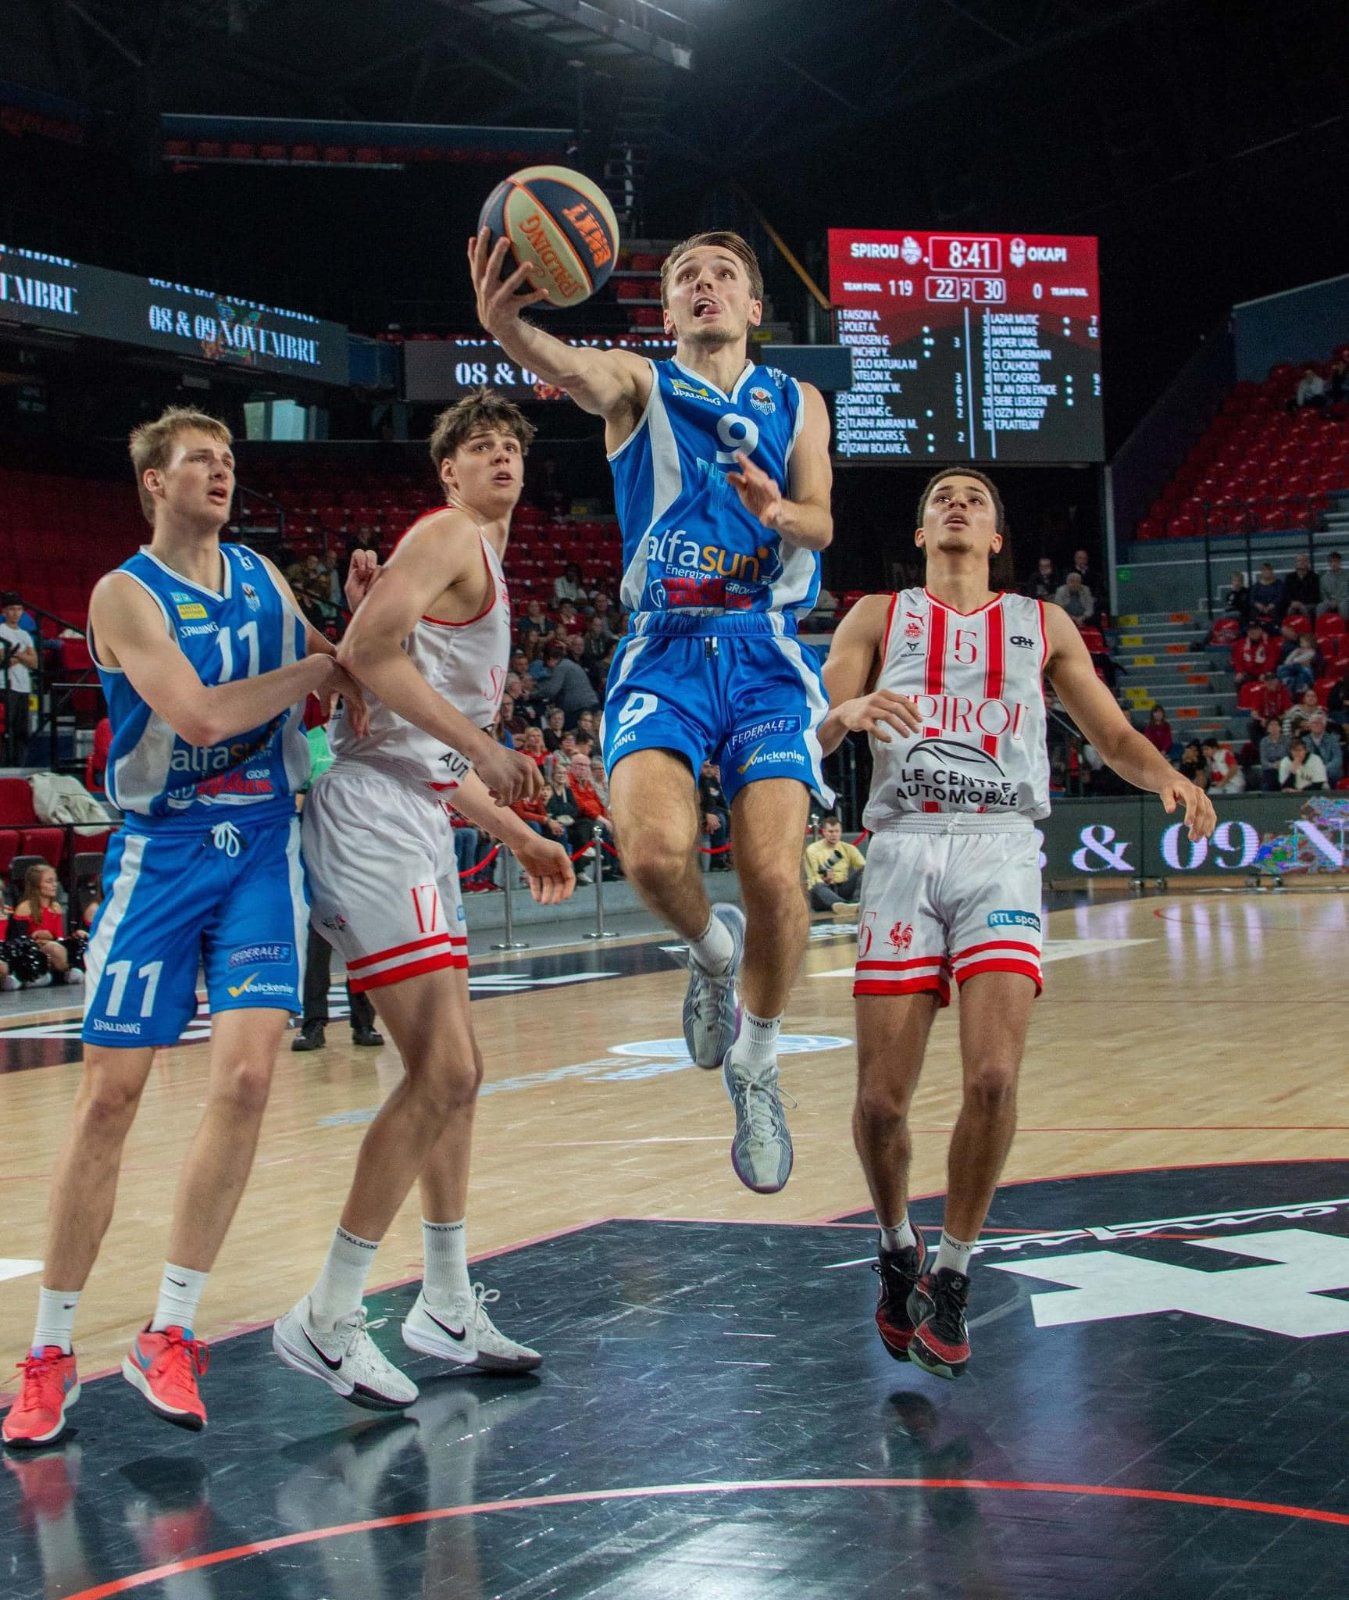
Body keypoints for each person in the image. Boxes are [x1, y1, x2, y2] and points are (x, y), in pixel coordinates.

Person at [2, 406, 369, 1448]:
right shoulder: (123, 592)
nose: (221, 470)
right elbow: (203, 714)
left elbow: (346, 668)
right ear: (153, 482)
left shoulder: (261, 576)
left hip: (259, 845)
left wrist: (357, 626)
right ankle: (50, 1351)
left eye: (228, 458)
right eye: (200, 459)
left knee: (247, 1080)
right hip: (161, 853)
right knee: (109, 1101)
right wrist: (318, 669)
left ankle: (170, 1330)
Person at [818, 469, 1214, 1380]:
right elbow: (818, 726)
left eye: (975, 498)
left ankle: (954, 1272)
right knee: (880, 1103)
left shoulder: (1042, 624)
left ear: (996, 537)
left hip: (998, 848)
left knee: (993, 1077)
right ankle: (896, 1245)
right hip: (903, 850)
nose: (957, 504)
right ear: (920, 531)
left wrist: (1167, 776)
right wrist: (845, 708)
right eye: (941, 498)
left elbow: (1112, 737)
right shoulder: (876, 616)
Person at [472, 225, 834, 1195]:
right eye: (684, 276)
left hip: (762, 650)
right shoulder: (640, 385)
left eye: (723, 274)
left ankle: (756, 1063)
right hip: (664, 648)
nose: (703, 284)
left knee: (773, 873)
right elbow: (569, 368)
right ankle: (711, 955)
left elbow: (820, 520)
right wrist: (508, 328)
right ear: (667, 308)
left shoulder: (797, 401)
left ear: (752, 306)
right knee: (650, 856)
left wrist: (776, 514)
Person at [273, 388, 574, 1411]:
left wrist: (517, 832)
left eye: (510, 446)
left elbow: (422, 753)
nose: (500, 458)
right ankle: (328, 1312)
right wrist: (483, 742)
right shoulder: (446, 534)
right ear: (447, 471)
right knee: (442, 1069)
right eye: (479, 447)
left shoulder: (478, 557)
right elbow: (362, 655)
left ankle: (444, 1299)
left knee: (459, 1074)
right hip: (369, 817)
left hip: (415, 810)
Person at [11, 860, 84, 984]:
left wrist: (76, 934)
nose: (54, 885)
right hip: (34, 950)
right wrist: (35, 936)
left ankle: (67, 971)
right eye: (49, 881)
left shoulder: (56, 907)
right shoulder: (25, 908)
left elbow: (60, 937)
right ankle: (62, 973)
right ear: (36, 885)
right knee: (54, 949)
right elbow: (17, 941)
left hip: (54, 945)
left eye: (55, 881)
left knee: (79, 941)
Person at [0, 591, 38, 764]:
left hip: (24, 686)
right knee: (5, 726)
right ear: (4, 611)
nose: (16, 613)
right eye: (12, 609)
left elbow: (34, 662)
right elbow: (3, 659)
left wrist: (17, 654)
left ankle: (19, 763)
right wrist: (24, 655)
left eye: (19, 609)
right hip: (5, 685)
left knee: (22, 729)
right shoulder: (1, 630)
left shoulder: (25, 635)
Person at [803, 814, 866, 914]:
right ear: (824, 832)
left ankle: (855, 902)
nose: (834, 835)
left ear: (841, 832)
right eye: (831, 831)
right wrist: (825, 880)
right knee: (817, 886)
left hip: (842, 887)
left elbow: (864, 868)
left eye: (837, 831)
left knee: (866, 870)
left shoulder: (848, 848)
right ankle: (843, 905)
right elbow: (814, 878)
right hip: (822, 890)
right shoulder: (812, 850)